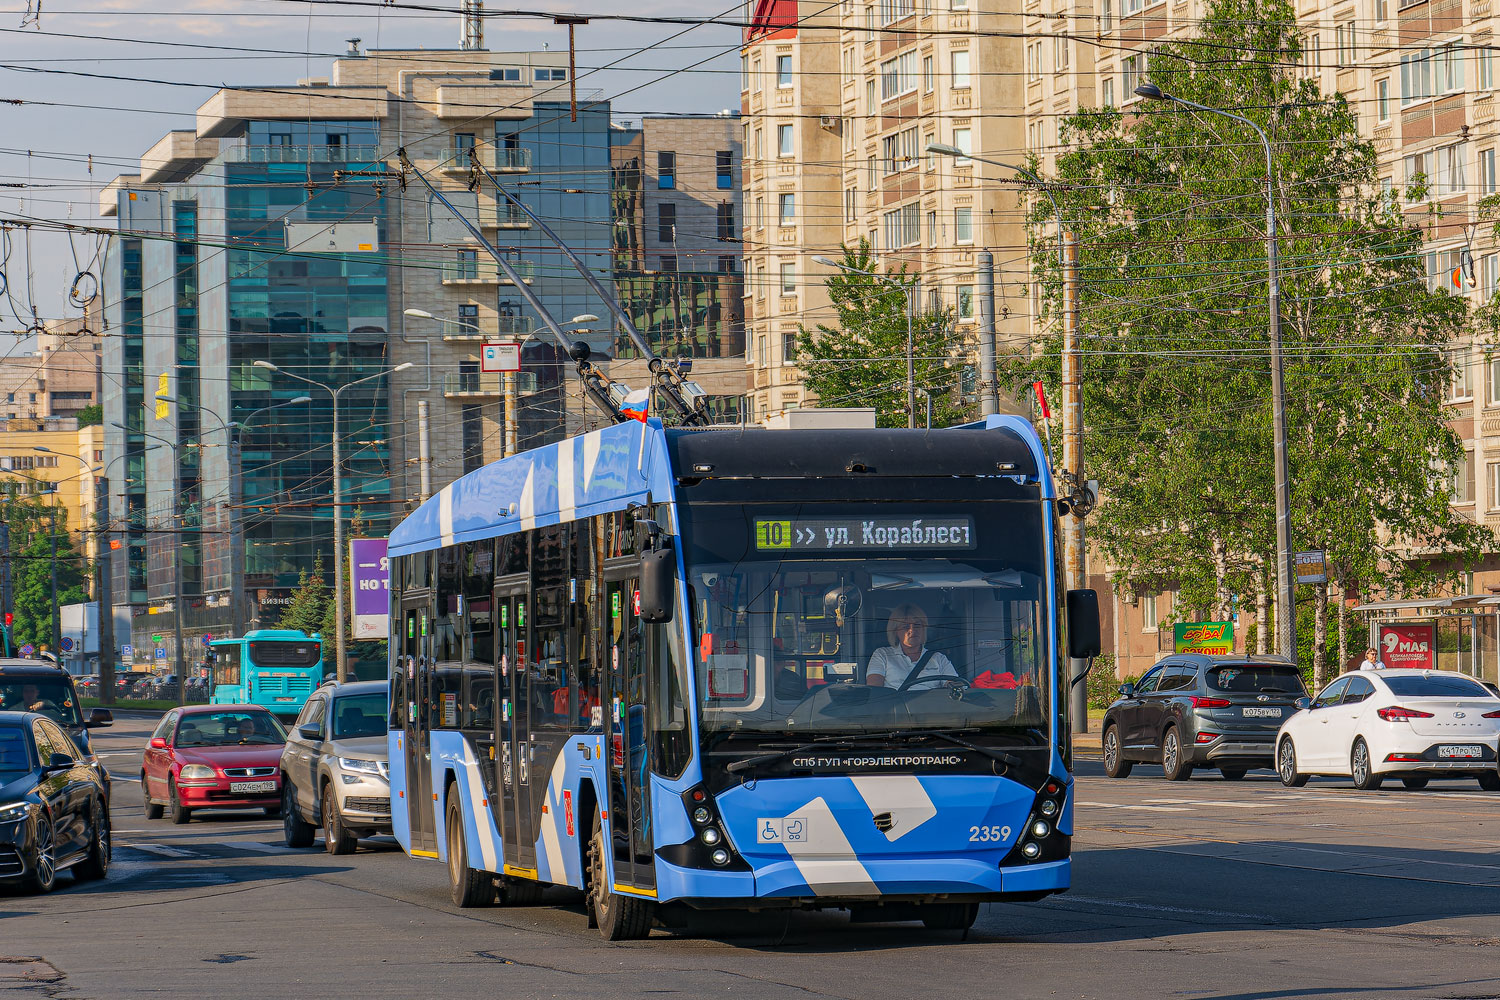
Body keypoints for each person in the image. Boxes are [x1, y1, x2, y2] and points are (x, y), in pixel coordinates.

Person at [867, 604, 961, 691]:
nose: (912, 630)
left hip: (932, 704)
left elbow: (956, 688)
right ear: (895, 631)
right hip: (895, 704)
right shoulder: (882, 655)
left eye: (917, 625)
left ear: (923, 629)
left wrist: (954, 686)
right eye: (905, 626)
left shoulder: (939, 658)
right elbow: (875, 691)